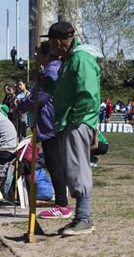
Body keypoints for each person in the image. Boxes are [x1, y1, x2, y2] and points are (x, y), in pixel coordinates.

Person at [41, 21, 101, 236]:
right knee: (72, 170)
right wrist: (44, 77)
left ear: (57, 41)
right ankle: (79, 218)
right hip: (69, 121)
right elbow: (59, 88)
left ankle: (84, 219)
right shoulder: (67, 61)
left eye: (50, 42)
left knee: (78, 170)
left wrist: (76, 119)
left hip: (77, 121)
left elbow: (88, 94)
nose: (50, 46)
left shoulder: (80, 59)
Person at [13, 41, 71, 219]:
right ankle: (61, 202)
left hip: (50, 125)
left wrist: (21, 104)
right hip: (51, 124)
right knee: (55, 164)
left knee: (55, 165)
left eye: (38, 54)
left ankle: (62, 205)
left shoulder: (51, 72)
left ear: (47, 55)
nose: (35, 57)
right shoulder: (54, 70)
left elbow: (40, 97)